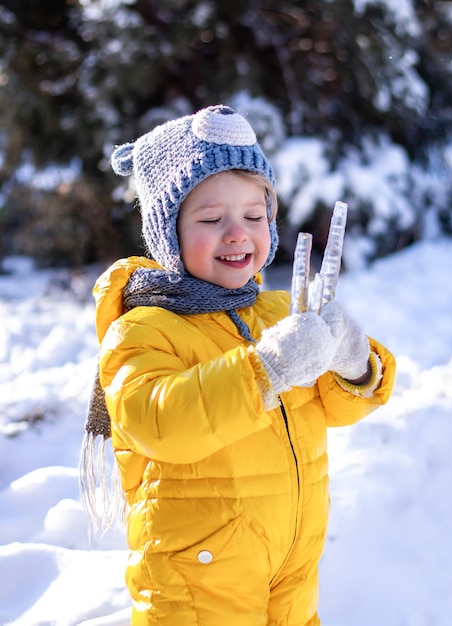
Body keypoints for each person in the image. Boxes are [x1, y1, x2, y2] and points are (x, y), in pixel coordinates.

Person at [80, 104, 395, 626]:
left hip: (290, 572)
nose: (237, 233)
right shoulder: (144, 330)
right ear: (166, 232)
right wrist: (266, 370)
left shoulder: (276, 313)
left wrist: (354, 361)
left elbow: (334, 406)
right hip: (195, 587)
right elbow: (160, 422)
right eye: (210, 219)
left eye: (254, 216)